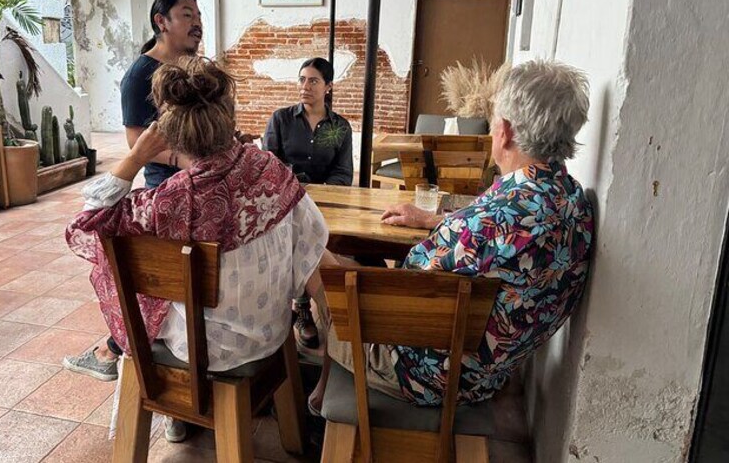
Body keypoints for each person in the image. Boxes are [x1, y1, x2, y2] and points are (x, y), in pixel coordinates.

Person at [310, 59, 595, 411]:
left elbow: (405, 295)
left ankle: (305, 384)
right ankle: (324, 385)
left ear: (505, 131)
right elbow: (497, 237)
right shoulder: (572, 201)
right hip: (488, 372)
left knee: (311, 256)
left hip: (423, 375)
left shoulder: (481, 227)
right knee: (354, 264)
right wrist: (436, 220)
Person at [65, 57, 328, 435]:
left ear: (170, 133)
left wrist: (136, 157)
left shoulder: (169, 200)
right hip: (272, 330)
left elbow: (85, 224)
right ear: (229, 116)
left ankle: (174, 412)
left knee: (156, 301)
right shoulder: (268, 168)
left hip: (203, 351)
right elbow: (312, 239)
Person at [62, 0, 202, 442]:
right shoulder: (141, 75)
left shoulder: (193, 68)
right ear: (162, 22)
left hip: (202, 186)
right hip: (166, 191)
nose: (196, 21)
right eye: (187, 14)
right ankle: (170, 403)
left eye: (198, 14)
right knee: (162, 287)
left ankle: (118, 352)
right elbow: (136, 141)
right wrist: (190, 161)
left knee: (185, 292)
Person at [263, 57, 353, 350]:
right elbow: (270, 165)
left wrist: (320, 192)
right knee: (295, 236)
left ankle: (332, 309)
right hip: (287, 201)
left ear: (328, 86)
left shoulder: (339, 127)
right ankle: (302, 308)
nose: (305, 86)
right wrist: (298, 188)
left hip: (326, 203)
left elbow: (343, 173)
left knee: (324, 242)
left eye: (313, 81)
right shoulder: (281, 119)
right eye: (302, 79)